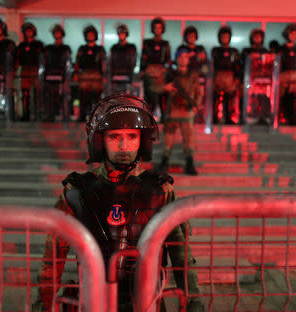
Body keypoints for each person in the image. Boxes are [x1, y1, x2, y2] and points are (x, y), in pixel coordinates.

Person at [35, 94, 203, 312]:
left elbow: (183, 258)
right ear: (100, 141)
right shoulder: (76, 193)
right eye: (114, 137)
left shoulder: (161, 191)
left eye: (131, 136)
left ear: (142, 141)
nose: (124, 146)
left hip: (146, 304)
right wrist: (43, 304)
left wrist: (194, 302)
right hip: (94, 303)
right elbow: (52, 261)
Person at [158, 48, 201, 175]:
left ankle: (189, 163)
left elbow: (198, 92)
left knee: (189, 139)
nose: (183, 59)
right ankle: (164, 163)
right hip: (172, 110)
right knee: (168, 139)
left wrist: (196, 104)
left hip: (186, 110)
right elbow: (157, 86)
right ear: (177, 59)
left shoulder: (192, 74)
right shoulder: (170, 73)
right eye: (181, 57)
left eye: (186, 57)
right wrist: (165, 87)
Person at [73, 25, 106, 122]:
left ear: (95, 35)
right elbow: (77, 62)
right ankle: (82, 116)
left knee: (96, 98)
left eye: (92, 34)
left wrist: (104, 75)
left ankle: (96, 118)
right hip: (84, 75)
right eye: (88, 35)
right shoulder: (82, 49)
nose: (90, 36)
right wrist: (75, 73)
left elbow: (103, 63)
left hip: (97, 76)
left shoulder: (100, 49)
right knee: (83, 97)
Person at [140, 17, 171, 119]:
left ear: (162, 29)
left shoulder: (165, 44)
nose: (158, 30)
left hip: (162, 74)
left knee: (162, 97)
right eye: (156, 28)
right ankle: (148, 119)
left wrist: (167, 72)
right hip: (149, 73)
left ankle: (163, 120)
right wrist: (142, 70)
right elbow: (143, 57)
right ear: (153, 29)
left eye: (159, 28)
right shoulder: (147, 43)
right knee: (149, 98)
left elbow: (168, 59)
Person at [241, 29, 272, 125]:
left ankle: (264, 116)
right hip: (251, 80)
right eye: (256, 37)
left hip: (263, 81)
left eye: (259, 37)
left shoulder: (265, 51)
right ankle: (252, 116)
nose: (257, 39)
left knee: (263, 98)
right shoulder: (247, 51)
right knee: (252, 98)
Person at [278, 24, 296, 125]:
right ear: (287, 35)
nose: (293, 36)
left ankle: (293, 119)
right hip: (283, 77)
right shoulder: (281, 49)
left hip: (295, 77)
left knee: (294, 97)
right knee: (282, 97)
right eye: (291, 34)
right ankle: (282, 118)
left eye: (295, 34)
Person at [42, 24, 72, 121]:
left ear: (62, 34)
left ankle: (65, 115)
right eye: (55, 32)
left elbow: (69, 63)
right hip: (50, 75)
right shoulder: (48, 48)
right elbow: (44, 62)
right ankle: (50, 115)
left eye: (59, 32)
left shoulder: (66, 48)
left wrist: (68, 76)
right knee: (50, 96)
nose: (57, 34)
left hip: (63, 75)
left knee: (64, 96)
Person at [212, 26, 241, 124]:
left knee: (229, 99)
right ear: (219, 38)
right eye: (223, 37)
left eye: (227, 37)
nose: (225, 39)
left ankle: (229, 118)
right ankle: (215, 118)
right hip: (218, 76)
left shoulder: (234, 51)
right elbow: (213, 65)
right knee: (217, 98)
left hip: (230, 76)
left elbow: (237, 65)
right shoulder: (216, 51)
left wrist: (236, 78)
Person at [17, 22, 45, 121]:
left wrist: (42, 71)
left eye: (30, 30)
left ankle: (38, 114)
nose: (28, 32)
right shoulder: (21, 45)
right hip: (25, 70)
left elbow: (43, 59)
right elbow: (17, 59)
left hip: (36, 70)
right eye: (26, 31)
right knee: (25, 94)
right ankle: (26, 114)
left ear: (33, 31)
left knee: (37, 94)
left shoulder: (39, 44)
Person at [108, 24, 137, 94]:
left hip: (128, 75)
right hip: (115, 75)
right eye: (120, 33)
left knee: (127, 97)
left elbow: (133, 61)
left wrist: (132, 75)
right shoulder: (114, 47)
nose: (121, 35)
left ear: (126, 34)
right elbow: (110, 62)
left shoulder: (131, 47)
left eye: (123, 33)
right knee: (116, 97)